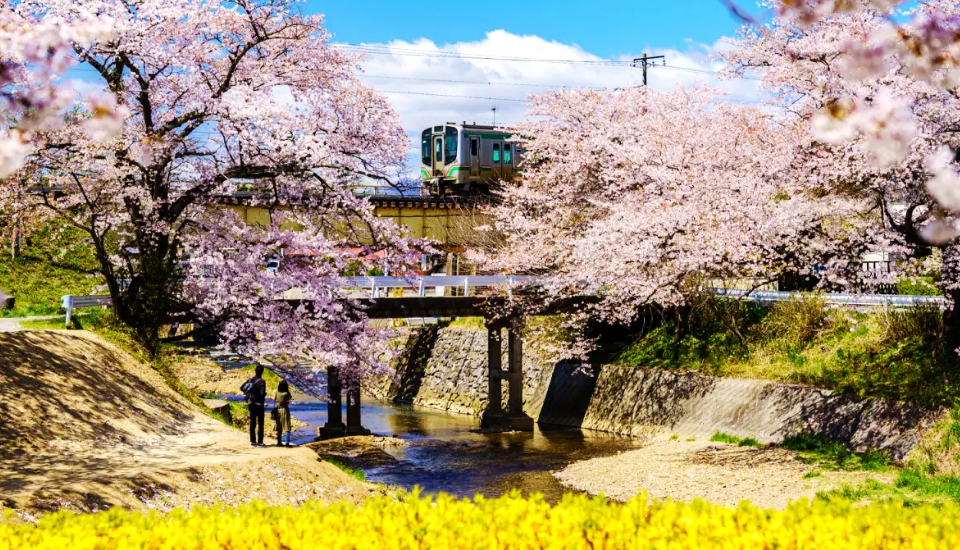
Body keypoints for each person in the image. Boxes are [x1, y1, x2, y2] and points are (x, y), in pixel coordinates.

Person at [243, 365, 267, 447]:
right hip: (259, 404)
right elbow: (262, 393)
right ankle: (260, 442)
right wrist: (264, 394)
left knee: (252, 422)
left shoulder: (250, 380)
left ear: (255, 371)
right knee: (260, 423)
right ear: (262, 372)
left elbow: (242, 388)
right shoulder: (262, 381)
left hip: (251, 403)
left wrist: (249, 393)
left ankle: (253, 441)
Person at [274, 380, 294, 447]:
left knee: (279, 427)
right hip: (285, 410)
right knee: (287, 426)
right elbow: (288, 400)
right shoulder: (286, 393)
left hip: (278, 410)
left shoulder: (277, 392)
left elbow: (275, 399)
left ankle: (279, 442)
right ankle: (287, 443)